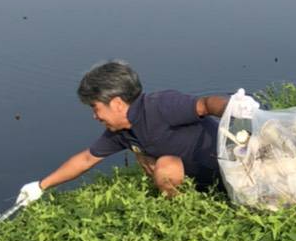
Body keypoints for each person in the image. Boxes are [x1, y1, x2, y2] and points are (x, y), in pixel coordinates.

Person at [13, 60, 233, 208]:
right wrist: (41, 186)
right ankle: (185, 209)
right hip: (203, 184)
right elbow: (86, 159)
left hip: (233, 170)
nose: (95, 116)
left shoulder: (161, 105)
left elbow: (206, 104)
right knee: (166, 167)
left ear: (117, 103)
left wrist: (234, 110)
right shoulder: (121, 132)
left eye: (96, 107)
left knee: (165, 165)